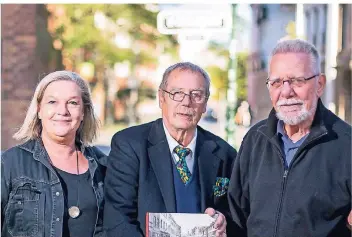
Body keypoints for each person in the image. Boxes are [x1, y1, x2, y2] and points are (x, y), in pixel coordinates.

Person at [228, 39, 351, 237]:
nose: (286, 91)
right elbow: (236, 218)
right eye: (276, 82)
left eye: (297, 81)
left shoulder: (347, 145)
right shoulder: (254, 140)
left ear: (319, 84)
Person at [104, 62, 237, 237]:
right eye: (177, 93)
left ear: (205, 104)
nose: (186, 102)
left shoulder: (224, 153)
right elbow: (117, 219)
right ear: (161, 98)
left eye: (196, 95)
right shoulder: (129, 145)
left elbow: (236, 214)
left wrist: (223, 221)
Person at [1, 71, 106, 237]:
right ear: (39, 110)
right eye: (52, 102)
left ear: (84, 112)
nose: (62, 111)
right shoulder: (9, 164)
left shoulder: (104, 166)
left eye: (72, 103)